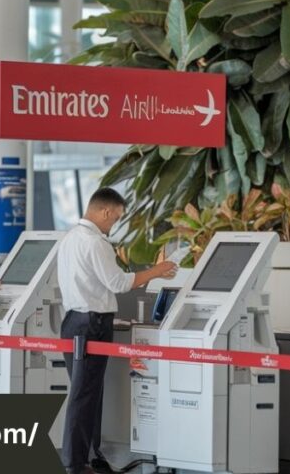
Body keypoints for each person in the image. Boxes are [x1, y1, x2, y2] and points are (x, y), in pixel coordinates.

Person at [58, 188, 177, 474]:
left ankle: (89, 457)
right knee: (84, 395)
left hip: (73, 321)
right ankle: (75, 463)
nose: (113, 225)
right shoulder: (95, 242)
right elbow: (119, 283)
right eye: (115, 219)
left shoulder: (69, 238)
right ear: (105, 211)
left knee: (86, 392)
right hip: (92, 324)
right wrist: (157, 270)